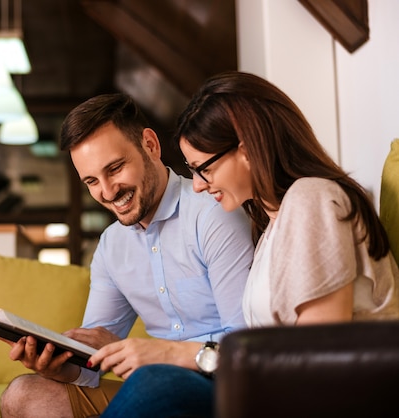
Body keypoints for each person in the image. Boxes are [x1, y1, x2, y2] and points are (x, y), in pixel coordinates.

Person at [98, 71, 399, 417]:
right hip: (277, 394)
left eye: (203, 169)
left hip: (344, 397)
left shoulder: (311, 199)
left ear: (246, 148)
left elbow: (318, 362)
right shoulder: (272, 226)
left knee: (155, 384)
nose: (197, 185)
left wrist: (178, 354)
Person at [0, 93, 256, 418]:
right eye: (92, 181)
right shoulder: (110, 247)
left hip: (226, 385)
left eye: (115, 168)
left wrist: (162, 354)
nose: (107, 192)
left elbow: (247, 344)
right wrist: (58, 365)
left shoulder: (214, 212)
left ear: (150, 145)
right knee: (23, 396)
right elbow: (91, 362)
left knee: (151, 382)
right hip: (156, 388)